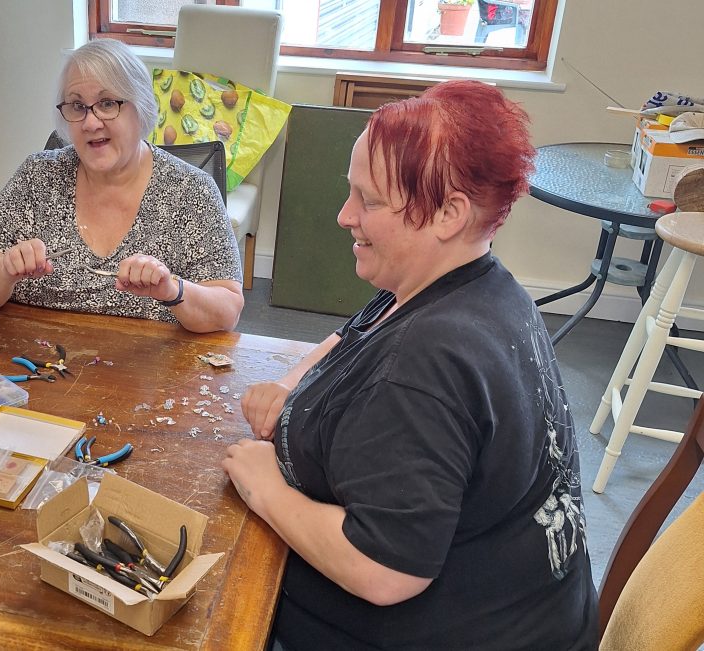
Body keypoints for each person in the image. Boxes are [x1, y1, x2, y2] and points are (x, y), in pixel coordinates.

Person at [222, 80, 598, 649]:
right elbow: (350, 337)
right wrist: (287, 386)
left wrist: (266, 487)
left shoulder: (424, 365)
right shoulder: (474, 287)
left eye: (368, 201)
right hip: (532, 610)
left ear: (448, 213)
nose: (345, 215)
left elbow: (385, 570)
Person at [0, 39, 243, 333]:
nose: (90, 123)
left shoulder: (191, 191)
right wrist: (4, 269)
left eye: (107, 104)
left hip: (150, 374)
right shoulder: (37, 176)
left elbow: (227, 309)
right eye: (77, 106)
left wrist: (172, 291)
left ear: (141, 107)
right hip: (36, 365)